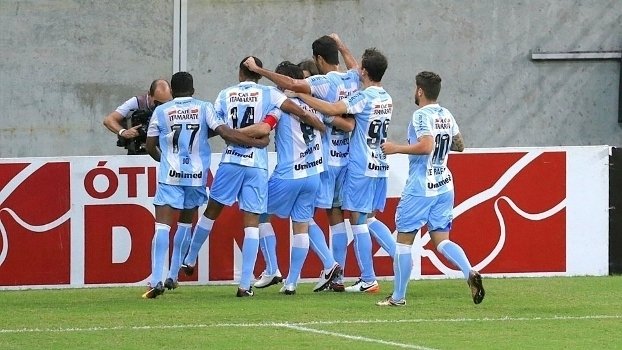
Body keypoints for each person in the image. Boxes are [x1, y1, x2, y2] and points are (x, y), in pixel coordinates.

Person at [245, 35, 395, 292]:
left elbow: (296, 87)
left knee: (325, 217)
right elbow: (349, 121)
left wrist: (261, 72)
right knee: (347, 216)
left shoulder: (321, 83)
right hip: (350, 157)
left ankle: (336, 268)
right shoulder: (354, 78)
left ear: (318, 59)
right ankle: (341, 273)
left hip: (325, 162)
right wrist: (342, 44)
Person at [179, 57, 325, 297]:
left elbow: (217, 128)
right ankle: (245, 285)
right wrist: (318, 125)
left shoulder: (225, 94)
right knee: (253, 222)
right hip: (258, 165)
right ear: (258, 75)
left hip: (231, 160)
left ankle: (191, 257)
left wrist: (231, 134)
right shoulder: (271, 94)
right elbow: (284, 120)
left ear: (239, 73)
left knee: (211, 211)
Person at [141, 71, 270, 299]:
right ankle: (173, 275)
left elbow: (150, 145)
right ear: (193, 90)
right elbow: (224, 132)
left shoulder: (161, 111)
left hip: (170, 175)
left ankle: (155, 279)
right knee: (184, 224)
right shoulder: (204, 108)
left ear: (171, 90)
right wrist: (254, 142)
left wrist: (164, 160)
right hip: (196, 176)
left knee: (162, 227)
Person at [376, 71, 485, 306]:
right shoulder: (446, 114)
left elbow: (426, 146)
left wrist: (396, 148)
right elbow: (460, 145)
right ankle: (469, 273)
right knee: (442, 240)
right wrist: (440, 150)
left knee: (404, 242)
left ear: (419, 91)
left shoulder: (420, 116)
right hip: (444, 185)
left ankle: (398, 297)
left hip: (421, 188)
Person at [291, 48, 393, 293]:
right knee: (363, 218)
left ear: (365, 71)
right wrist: (340, 44)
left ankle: (367, 277)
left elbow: (334, 110)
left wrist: (301, 96)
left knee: (353, 220)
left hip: (347, 164)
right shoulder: (386, 97)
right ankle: (390, 261)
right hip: (374, 163)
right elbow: (355, 68)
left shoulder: (362, 97)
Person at [238, 61, 339, 294]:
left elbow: (265, 127)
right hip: (313, 174)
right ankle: (292, 283)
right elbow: (324, 126)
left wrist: (235, 133)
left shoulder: (281, 104)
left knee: (258, 214)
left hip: (289, 174)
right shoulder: (314, 104)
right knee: (301, 226)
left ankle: (272, 268)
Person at [103, 79, 172, 155]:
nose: (160, 106)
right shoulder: (136, 102)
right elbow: (109, 120)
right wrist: (123, 132)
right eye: (157, 102)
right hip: (138, 151)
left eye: (165, 103)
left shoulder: (174, 104)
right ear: (149, 94)